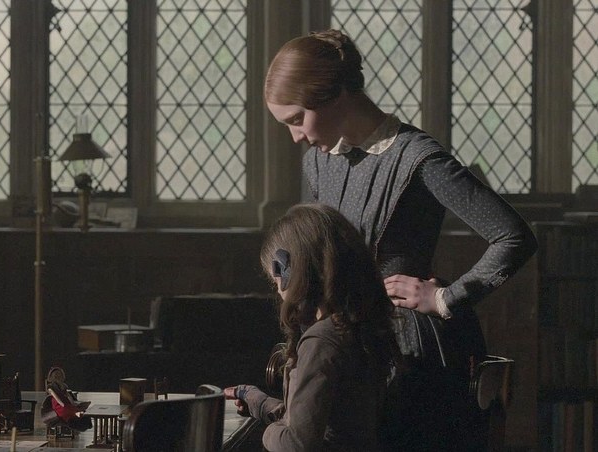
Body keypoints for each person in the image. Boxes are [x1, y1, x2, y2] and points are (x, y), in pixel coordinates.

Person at [262, 29, 538, 450]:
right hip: (343, 345)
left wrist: (445, 298)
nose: (295, 135)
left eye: (297, 119)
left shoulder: (418, 158)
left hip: (410, 352)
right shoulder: (318, 162)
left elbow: (513, 237)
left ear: (336, 94)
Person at [225, 203, 401, 451]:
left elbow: (298, 443)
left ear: (287, 268)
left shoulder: (321, 340)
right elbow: (323, 419)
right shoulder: (352, 326)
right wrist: (260, 403)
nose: (277, 286)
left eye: (275, 275)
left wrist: (267, 432)